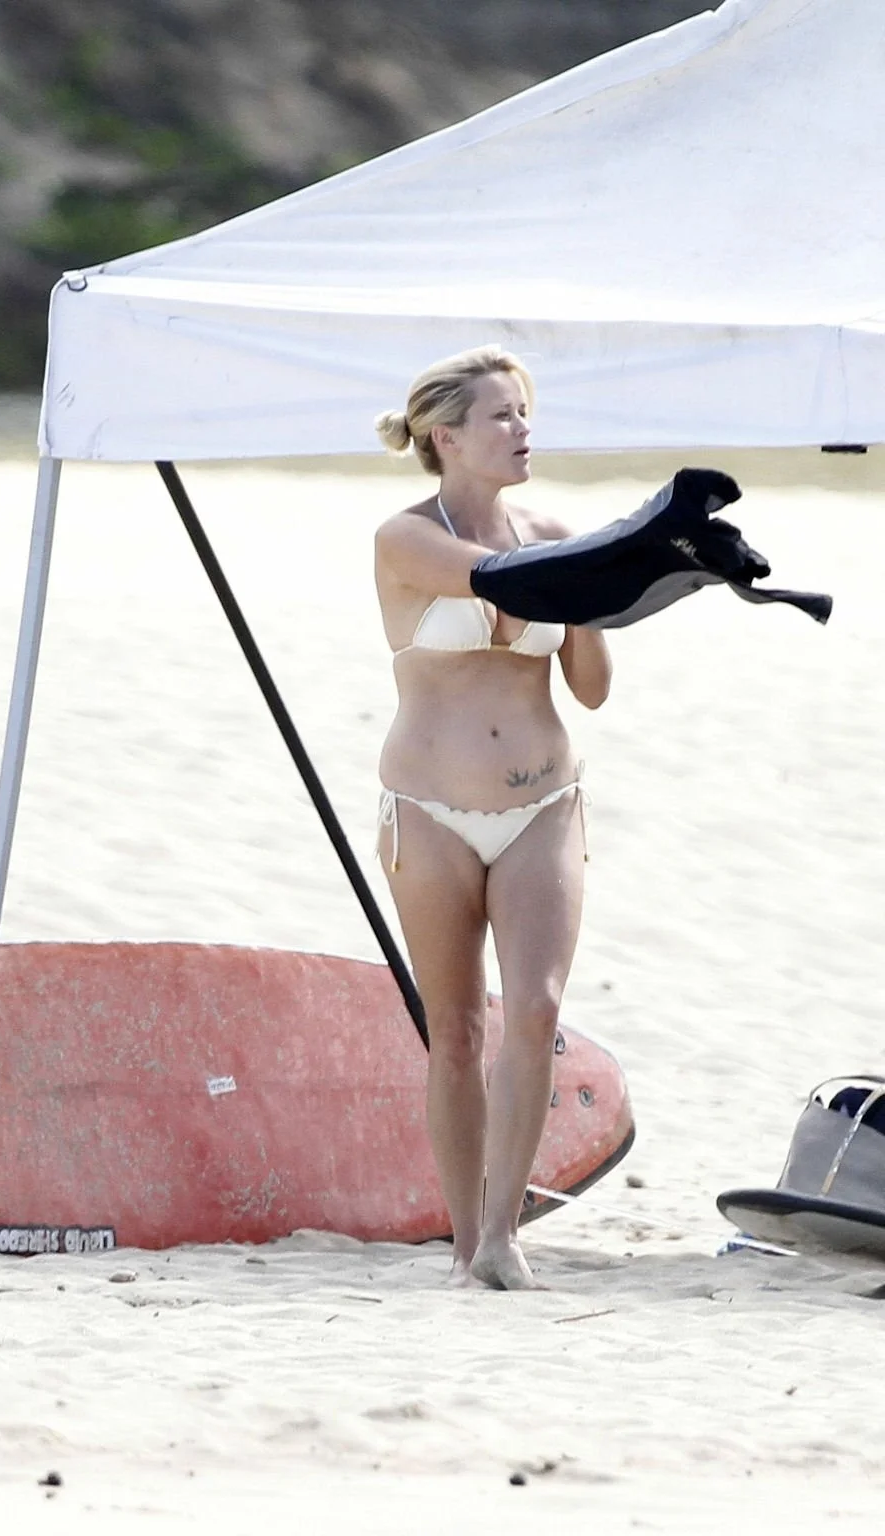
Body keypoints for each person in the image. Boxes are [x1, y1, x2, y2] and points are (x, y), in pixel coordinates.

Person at [372, 345, 612, 1290]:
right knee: (457, 1030)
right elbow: (496, 582)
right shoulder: (405, 538)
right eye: (501, 415)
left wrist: (596, 593)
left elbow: (591, 687)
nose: (522, 429)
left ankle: (505, 1236)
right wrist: (594, 565)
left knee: (537, 1009)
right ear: (446, 437)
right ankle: (465, 1239)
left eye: (525, 412)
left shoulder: (556, 535)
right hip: (427, 810)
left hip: (543, 802)